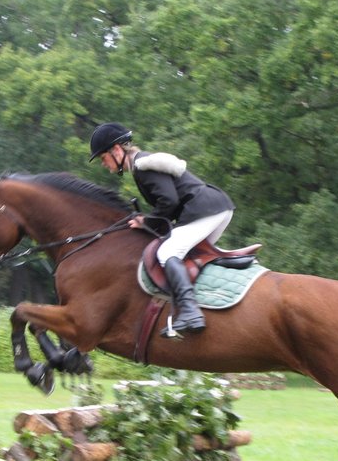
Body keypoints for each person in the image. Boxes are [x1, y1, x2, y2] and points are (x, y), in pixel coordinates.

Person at [89, 122, 235, 334]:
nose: (104, 164)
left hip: (205, 210)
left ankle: (190, 312)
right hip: (214, 209)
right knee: (186, 257)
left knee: (167, 252)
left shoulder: (142, 167)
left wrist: (145, 222)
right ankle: (194, 308)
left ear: (117, 150)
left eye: (104, 158)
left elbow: (169, 202)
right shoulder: (141, 165)